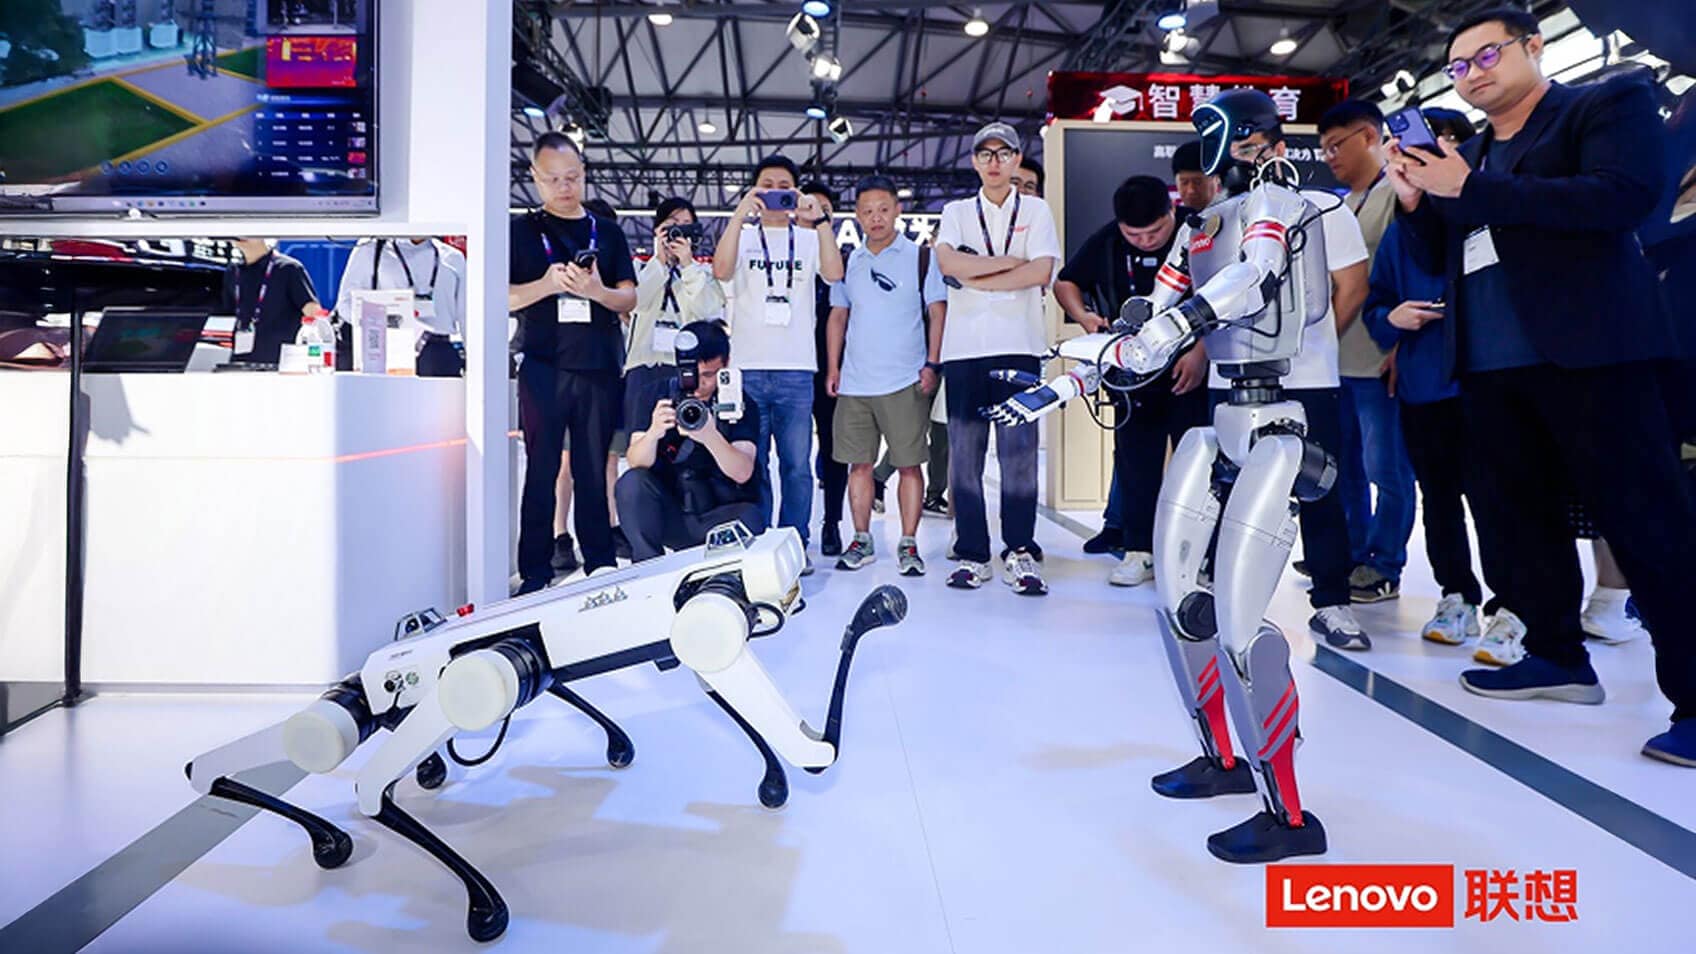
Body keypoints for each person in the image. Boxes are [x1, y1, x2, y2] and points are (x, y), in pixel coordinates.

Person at [1386, 8, 1696, 764]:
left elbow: (1623, 198)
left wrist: (1473, 189)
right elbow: (1451, 247)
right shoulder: (1480, 153)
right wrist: (1419, 201)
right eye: (1458, 67)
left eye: (1486, 55)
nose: (1472, 73)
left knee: (1646, 523)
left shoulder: (1603, 103)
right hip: (1491, 368)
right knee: (1519, 521)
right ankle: (1557, 655)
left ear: (1533, 47)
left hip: (1593, 355)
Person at [1196, 104, 1373, 651]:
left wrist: (1303, 345)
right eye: (1231, 152)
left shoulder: (1322, 208)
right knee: (1223, 482)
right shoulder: (1217, 216)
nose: (1239, 161)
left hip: (1306, 376)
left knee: (1318, 484)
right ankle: (1210, 585)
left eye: (1249, 148)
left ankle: (1332, 600)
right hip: (1230, 375)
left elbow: (1351, 287)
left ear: (1276, 146)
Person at [1360, 108, 1517, 654]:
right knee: (1440, 498)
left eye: (1447, 145)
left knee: (1500, 499)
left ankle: (1514, 607)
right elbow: (1376, 304)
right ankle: (1456, 594)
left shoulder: (1491, 212)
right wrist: (1392, 321)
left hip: (1488, 380)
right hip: (1425, 384)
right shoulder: (1402, 233)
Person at [1053, 175, 1208, 586]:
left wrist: (1201, 351)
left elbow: (1230, 295)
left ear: (1172, 213)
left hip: (1191, 370)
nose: (1143, 240)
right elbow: (1065, 281)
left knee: (1201, 465)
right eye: (1133, 234)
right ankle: (1140, 550)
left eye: (1155, 231)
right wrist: (1085, 316)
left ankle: (1204, 555)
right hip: (1132, 372)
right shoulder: (1107, 241)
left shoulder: (1201, 233)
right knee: (1137, 464)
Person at [509, 132, 638, 594]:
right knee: (540, 470)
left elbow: (630, 295)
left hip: (599, 366)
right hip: (543, 366)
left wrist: (596, 292)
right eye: (554, 179)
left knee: (592, 468)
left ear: (583, 173)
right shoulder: (519, 232)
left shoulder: (608, 232)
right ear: (535, 179)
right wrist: (547, 284)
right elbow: (501, 299)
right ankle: (535, 572)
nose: (565, 187)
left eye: (572, 177)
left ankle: (600, 563)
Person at [935, 121, 1061, 595]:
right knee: (964, 457)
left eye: (1002, 153)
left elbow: (1043, 269)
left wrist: (978, 274)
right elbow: (948, 264)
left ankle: (1020, 550)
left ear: (1015, 160)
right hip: (964, 349)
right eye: (984, 154)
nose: (993, 162)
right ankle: (971, 552)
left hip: (1019, 345)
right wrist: (1013, 263)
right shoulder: (956, 211)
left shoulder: (1036, 209)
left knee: (1020, 456)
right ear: (974, 161)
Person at [711, 155, 846, 574]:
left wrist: (818, 219)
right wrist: (739, 214)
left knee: (796, 465)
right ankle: (759, 544)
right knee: (754, 466)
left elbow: (835, 273)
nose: (774, 191)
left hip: (795, 370)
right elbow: (720, 269)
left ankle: (794, 543)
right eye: (765, 183)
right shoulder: (745, 236)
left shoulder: (806, 240)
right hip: (749, 369)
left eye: (783, 184)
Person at [1318, 99, 1416, 604]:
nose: (1331, 156)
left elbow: (1415, 269)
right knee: (1345, 466)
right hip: (1336, 360)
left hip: (1380, 356)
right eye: (1324, 149)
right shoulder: (1342, 204)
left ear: (1369, 136)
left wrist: (1403, 345)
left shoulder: (1397, 195)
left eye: (1338, 144)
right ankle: (1352, 552)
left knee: (1387, 468)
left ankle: (1384, 563)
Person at [825, 174, 947, 576]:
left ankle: (909, 545)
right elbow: (838, 316)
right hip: (856, 383)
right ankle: (861, 540)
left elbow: (937, 312)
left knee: (910, 465)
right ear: (857, 216)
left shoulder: (919, 258)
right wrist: (833, 367)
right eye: (867, 211)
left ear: (897, 210)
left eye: (883, 209)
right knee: (857, 465)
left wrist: (932, 363)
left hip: (904, 380)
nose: (876, 218)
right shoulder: (849, 261)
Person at [614, 321, 763, 560]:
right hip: (671, 510)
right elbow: (635, 462)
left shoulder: (739, 404)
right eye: (692, 375)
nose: (700, 384)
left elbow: (743, 472)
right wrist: (653, 433)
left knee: (750, 517)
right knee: (631, 484)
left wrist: (710, 436)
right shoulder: (654, 395)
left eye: (708, 375)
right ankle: (647, 566)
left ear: (726, 364)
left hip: (718, 512)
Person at [800, 181, 851, 558]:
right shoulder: (781, 254)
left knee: (835, 450)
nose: (818, 214)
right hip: (790, 365)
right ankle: (788, 528)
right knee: (791, 453)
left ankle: (831, 522)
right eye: (811, 207)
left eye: (826, 210)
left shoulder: (843, 262)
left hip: (833, 368)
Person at [334, 237, 467, 377]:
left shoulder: (452, 258)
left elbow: (467, 317)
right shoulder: (371, 248)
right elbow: (346, 304)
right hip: (388, 351)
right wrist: (383, 321)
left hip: (438, 355)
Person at [230, 238, 320, 365]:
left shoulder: (289, 269)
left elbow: (314, 313)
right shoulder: (233, 271)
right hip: (241, 363)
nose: (241, 236)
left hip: (282, 363)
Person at [1170, 140, 1221, 220]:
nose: (1191, 190)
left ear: (1217, 178)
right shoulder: (1172, 221)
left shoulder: (1234, 214)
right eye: (1184, 182)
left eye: (1198, 182)